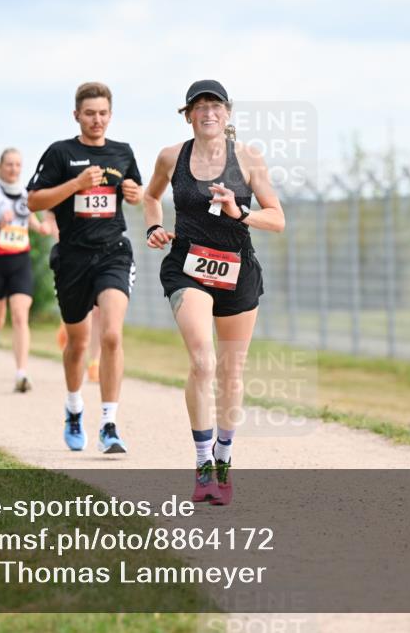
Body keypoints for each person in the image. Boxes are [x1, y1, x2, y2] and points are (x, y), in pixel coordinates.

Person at [143, 80, 284, 505]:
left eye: (215, 105)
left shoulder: (249, 158)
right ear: (187, 114)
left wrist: (239, 212)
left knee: (231, 372)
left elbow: (277, 218)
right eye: (199, 106)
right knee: (203, 361)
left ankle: (224, 457)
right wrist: (153, 226)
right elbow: (151, 197)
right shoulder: (172, 156)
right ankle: (203, 465)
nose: (208, 112)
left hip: (238, 271)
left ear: (228, 113)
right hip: (188, 269)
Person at [26, 81, 142, 454]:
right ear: (76, 115)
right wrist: (75, 184)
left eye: (103, 113)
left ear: (111, 115)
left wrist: (136, 195)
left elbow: (136, 191)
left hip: (113, 252)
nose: (97, 120)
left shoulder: (122, 152)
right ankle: (74, 408)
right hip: (72, 257)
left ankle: (109, 423)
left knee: (110, 335)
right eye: (90, 113)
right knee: (77, 342)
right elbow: (33, 200)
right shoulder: (61, 153)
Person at [0, 148, 52, 392]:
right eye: (9, 165)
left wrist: (42, 228)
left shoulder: (27, 196)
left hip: (20, 262)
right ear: (1, 167)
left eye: (17, 165)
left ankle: (21, 373)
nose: (13, 169)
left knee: (20, 315)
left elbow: (32, 222)